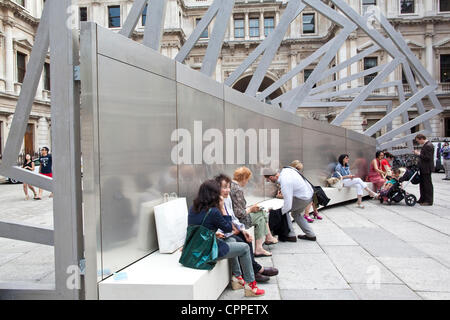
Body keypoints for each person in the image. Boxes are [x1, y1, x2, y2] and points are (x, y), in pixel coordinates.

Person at [187, 180, 265, 297]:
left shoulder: (193, 207)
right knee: (244, 248)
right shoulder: (214, 211)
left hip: (195, 246)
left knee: (231, 240)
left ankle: (237, 278)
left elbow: (198, 227)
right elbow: (228, 228)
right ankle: (250, 286)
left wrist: (215, 234)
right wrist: (222, 208)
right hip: (207, 251)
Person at [214, 174, 279, 283]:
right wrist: (233, 229)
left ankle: (254, 270)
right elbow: (221, 224)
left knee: (246, 237)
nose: (228, 190)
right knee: (242, 243)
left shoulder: (227, 197)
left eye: (228, 187)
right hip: (222, 234)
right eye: (224, 187)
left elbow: (233, 217)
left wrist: (242, 230)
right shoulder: (216, 200)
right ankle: (255, 271)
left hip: (229, 230)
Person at [230, 167, 278, 257]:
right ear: (244, 178)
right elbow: (239, 213)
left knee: (261, 212)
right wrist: (251, 209)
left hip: (233, 218)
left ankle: (267, 238)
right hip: (238, 221)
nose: (247, 182)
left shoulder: (230, 185)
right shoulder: (238, 190)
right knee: (261, 215)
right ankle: (261, 245)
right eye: (247, 180)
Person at [263, 166, 316, 242]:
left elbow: (287, 206)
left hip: (302, 198)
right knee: (296, 214)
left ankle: (291, 235)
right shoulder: (286, 170)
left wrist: (277, 214)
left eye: (268, 179)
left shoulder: (285, 182)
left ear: (271, 177)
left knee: (285, 210)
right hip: (309, 195)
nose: (269, 181)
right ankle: (311, 235)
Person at [414, 134, 434, 206]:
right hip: (423, 168)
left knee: (427, 184)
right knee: (422, 184)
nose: (418, 142)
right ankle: (422, 198)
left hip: (426, 168)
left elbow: (427, 157)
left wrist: (418, 154)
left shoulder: (428, 145)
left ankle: (428, 200)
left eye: (418, 141)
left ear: (421, 138)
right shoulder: (426, 145)